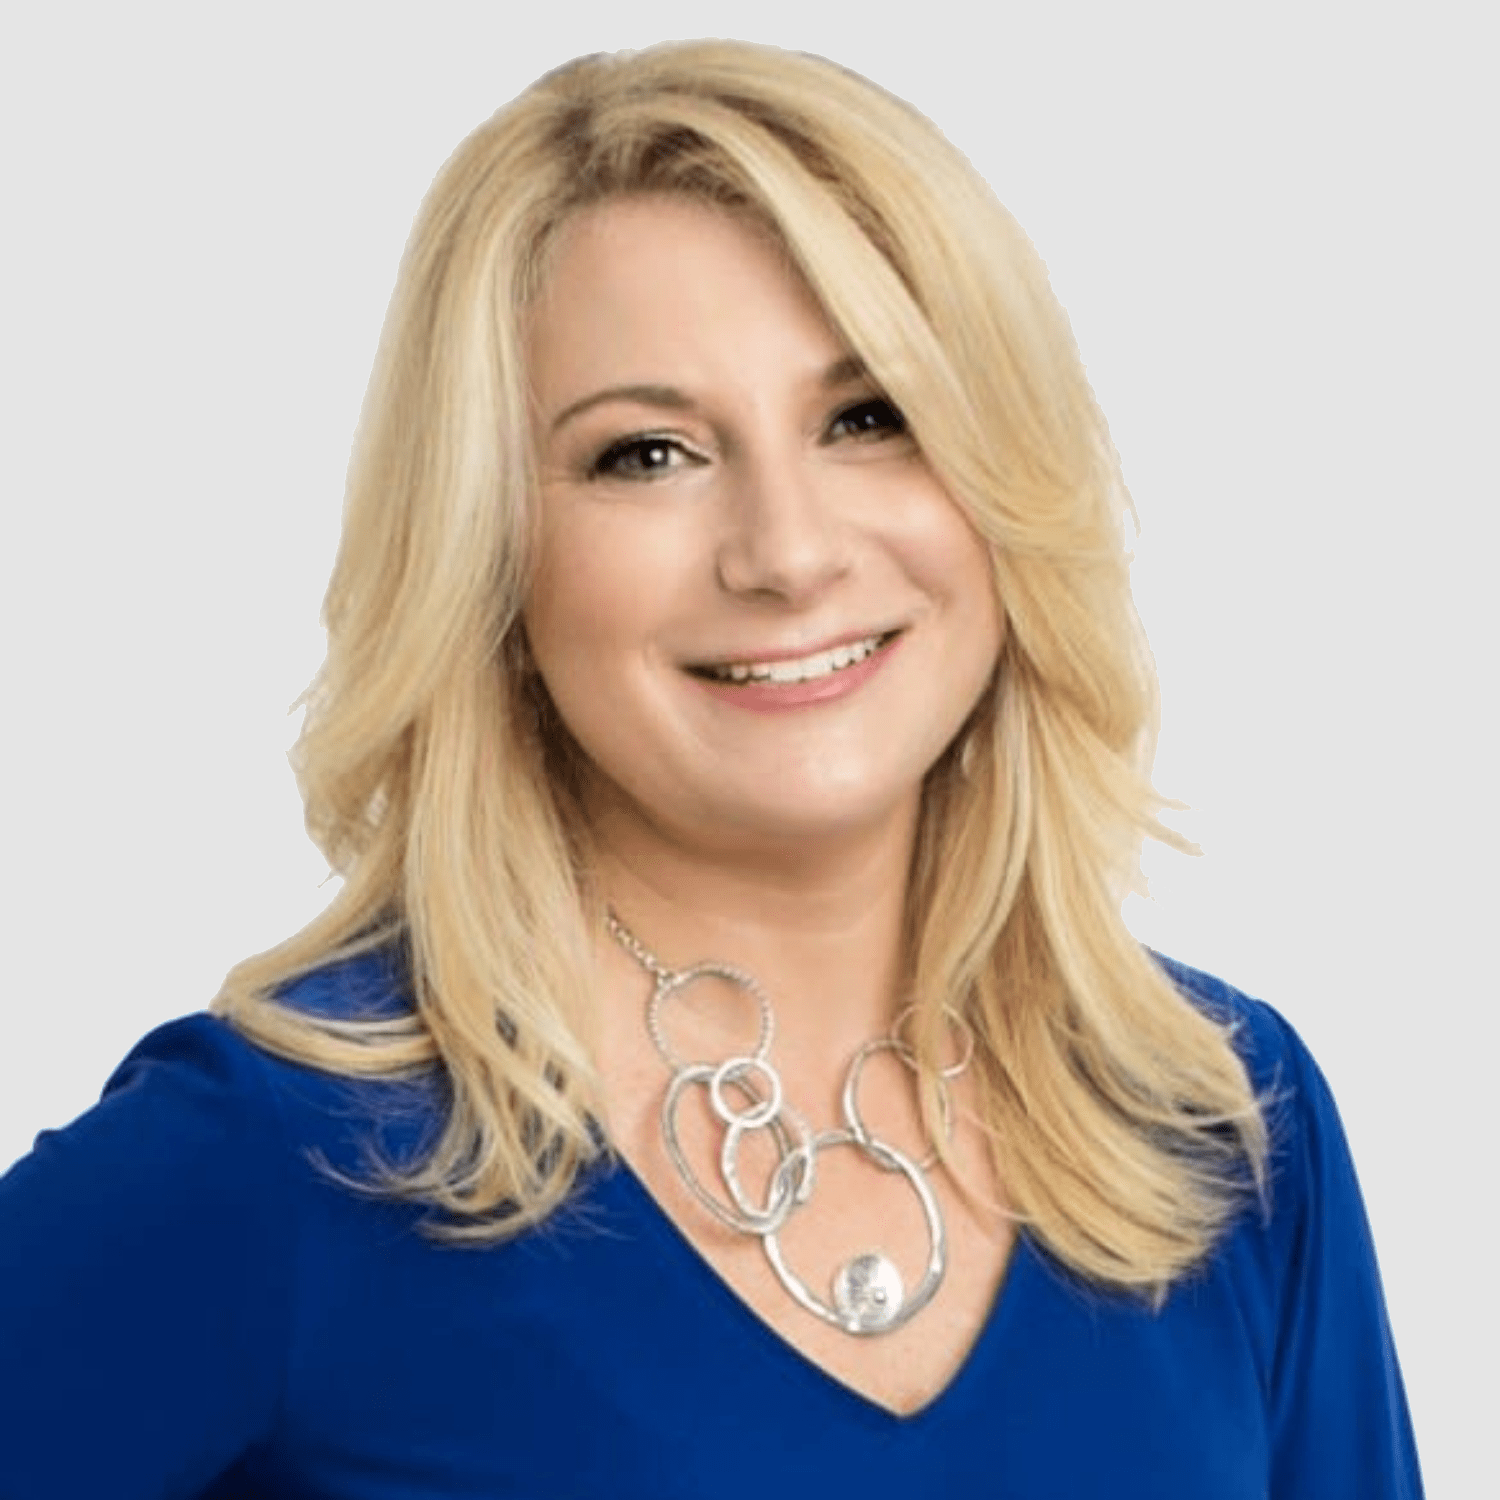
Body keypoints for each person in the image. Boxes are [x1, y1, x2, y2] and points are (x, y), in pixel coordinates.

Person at [0, 38, 1421, 1498]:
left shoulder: (1224, 1124)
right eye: (648, 454)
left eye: (869, 418)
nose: (788, 553)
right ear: (490, 555)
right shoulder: (286, 1157)